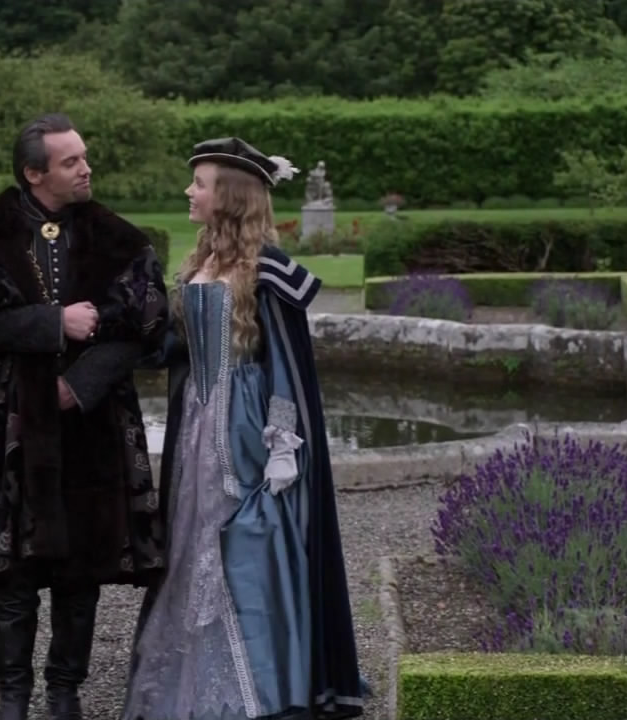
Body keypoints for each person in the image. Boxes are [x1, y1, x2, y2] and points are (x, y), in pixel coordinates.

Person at [0, 112, 170, 720]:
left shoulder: (118, 238)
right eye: (71, 162)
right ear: (34, 174)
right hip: (15, 420)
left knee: (81, 570)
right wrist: (51, 323)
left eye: (84, 157)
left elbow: (146, 324)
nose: (86, 168)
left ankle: (65, 692)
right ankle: (12, 696)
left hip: (95, 424)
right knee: (15, 570)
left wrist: (80, 385)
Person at [121, 137, 367, 720]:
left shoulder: (268, 270)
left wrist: (283, 443)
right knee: (193, 538)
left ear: (228, 196)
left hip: (247, 426)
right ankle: (194, 676)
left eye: (199, 183)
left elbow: (286, 362)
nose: (189, 191)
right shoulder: (198, 262)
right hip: (198, 422)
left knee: (249, 544)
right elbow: (179, 348)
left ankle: (265, 682)